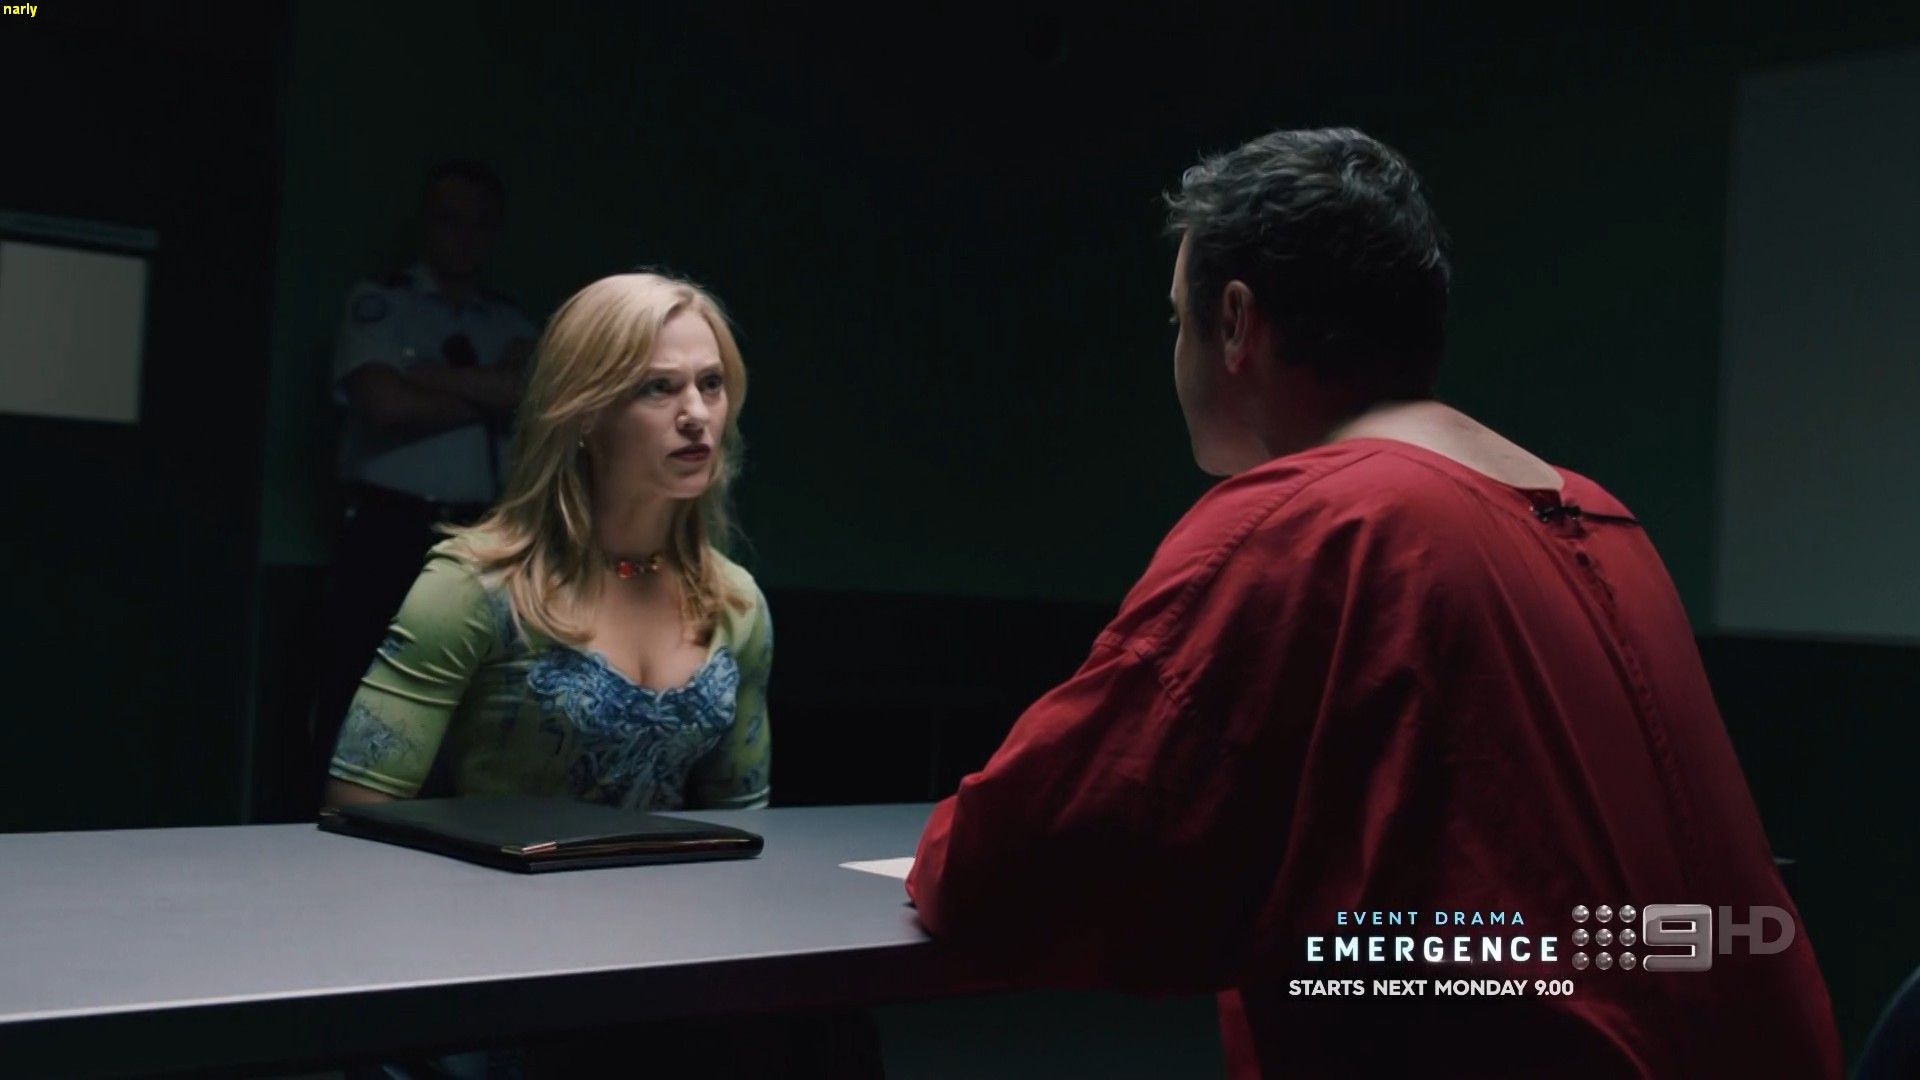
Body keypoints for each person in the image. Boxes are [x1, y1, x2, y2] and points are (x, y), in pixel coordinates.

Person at [905, 128, 1842, 1077]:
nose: (1175, 348)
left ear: (1235, 322)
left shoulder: (1321, 520)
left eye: (1177, 319)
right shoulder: (1601, 518)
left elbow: (1003, 868)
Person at [321, 271, 770, 814]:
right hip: (489, 872)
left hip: (676, 874)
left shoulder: (734, 603)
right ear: (585, 411)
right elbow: (355, 813)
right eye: (658, 386)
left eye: (712, 384)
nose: (697, 414)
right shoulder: (475, 587)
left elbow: (745, 828)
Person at [307, 159, 538, 802]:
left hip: (484, 533)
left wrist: (431, 378)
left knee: (473, 704)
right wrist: (490, 394)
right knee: (359, 696)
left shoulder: (510, 322)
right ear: (425, 224)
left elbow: (534, 400)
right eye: (450, 219)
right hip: (390, 527)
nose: (464, 236)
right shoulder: (382, 303)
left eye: (480, 223)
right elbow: (384, 405)